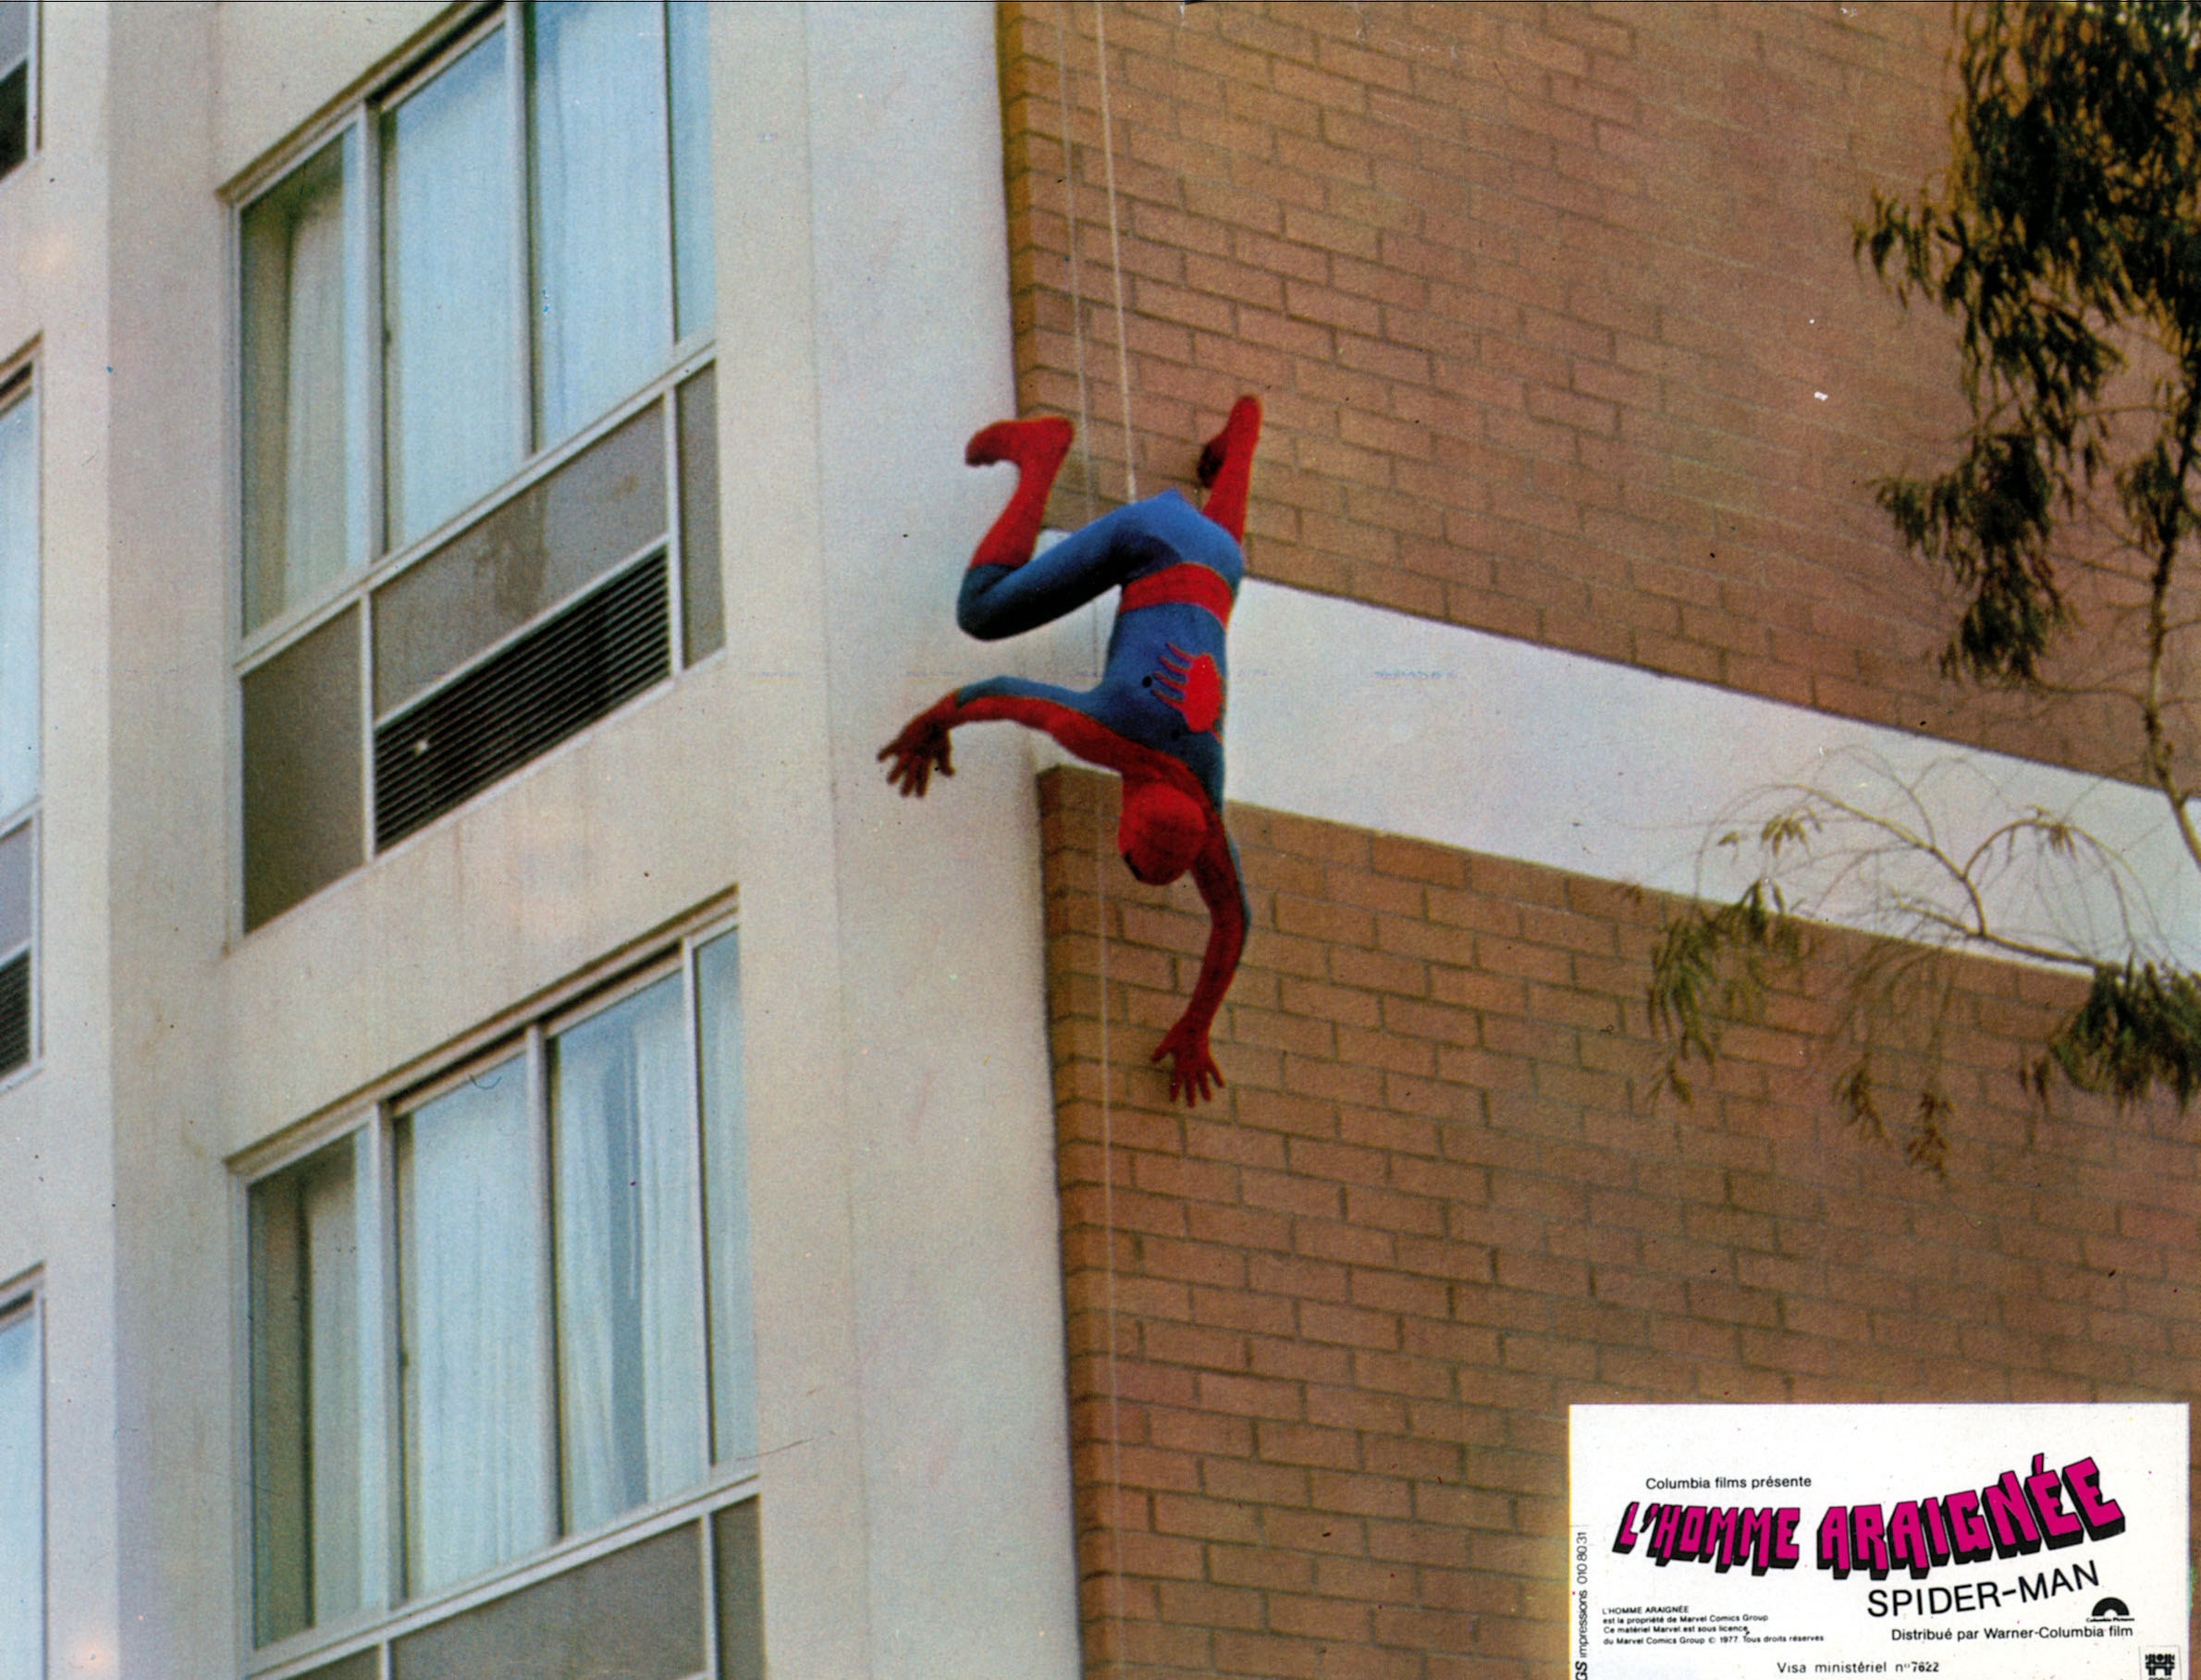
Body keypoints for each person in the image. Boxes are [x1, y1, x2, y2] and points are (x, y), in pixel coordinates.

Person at [880, 397, 1261, 1105]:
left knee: (1218, 566)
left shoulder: (1208, 797)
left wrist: (1200, 1021)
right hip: (1150, 538)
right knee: (982, 610)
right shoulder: (1106, 732)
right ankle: (1041, 454)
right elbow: (1002, 693)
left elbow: (1234, 921)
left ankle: (1243, 437)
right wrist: (936, 721)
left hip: (1219, 562)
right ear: (1125, 822)